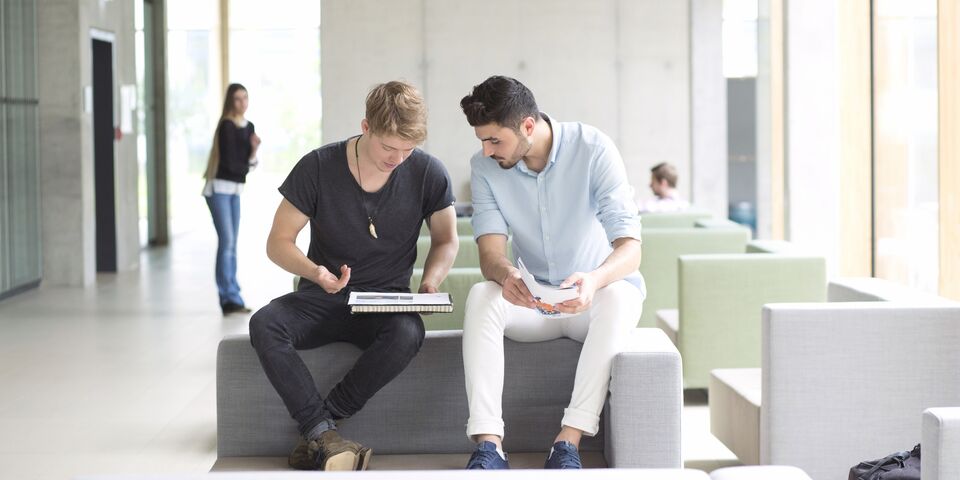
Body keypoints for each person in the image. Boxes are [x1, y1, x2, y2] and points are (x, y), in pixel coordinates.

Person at [248, 81, 458, 471]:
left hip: (385, 302)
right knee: (265, 323)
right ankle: (324, 435)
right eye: (388, 147)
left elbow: (446, 240)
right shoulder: (317, 166)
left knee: (408, 332)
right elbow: (277, 243)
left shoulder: (428, 172)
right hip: (323, 296)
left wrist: (431, 282)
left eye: (407, 150)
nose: (398, 159)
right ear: (365, 127)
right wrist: (316, 272)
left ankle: (320, 430)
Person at [458, 76, 645, 470]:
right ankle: (489, 445)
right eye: (482, 141)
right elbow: (490, 254)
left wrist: (593, 279)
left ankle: (568, 442)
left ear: (527, 126)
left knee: (619, 295)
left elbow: (630, 250)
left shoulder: (594, 149)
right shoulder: (485, 167)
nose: (487, 150)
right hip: (532, 305)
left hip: (589, 302)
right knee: (481, 295)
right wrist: (507, 274)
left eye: (495, 141)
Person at [202, 83, 261, 315]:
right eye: (237, 99)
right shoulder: (226, 126)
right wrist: (247, 164)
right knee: (227, 243)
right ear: (230, 101)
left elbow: (247, 163)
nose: (242, 103)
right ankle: (228, 298)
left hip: (235, 191)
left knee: (232, 245)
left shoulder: (250, 127)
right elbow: (231, 164)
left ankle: (234, 295)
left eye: (245, 98)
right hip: (219, 189)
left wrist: (254, 150)